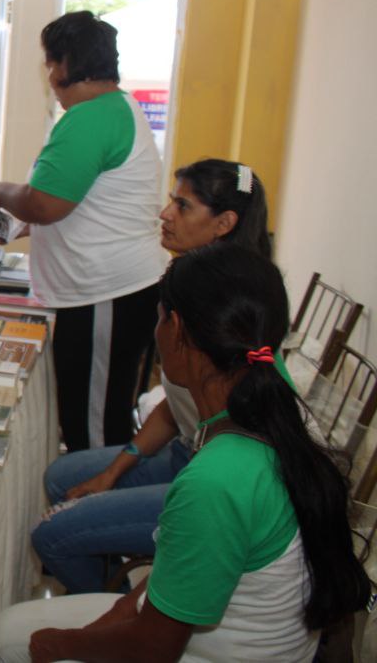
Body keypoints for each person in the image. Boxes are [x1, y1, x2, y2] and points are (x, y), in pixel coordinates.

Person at [0, 243, 371, 662]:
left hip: (218, 651)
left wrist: (59, 644)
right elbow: (181, 570)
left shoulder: (217, 478)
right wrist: (122, 609)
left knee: (8, 640)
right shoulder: (268, 413)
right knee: (20, 629)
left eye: (158, 318)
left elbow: (154, 647)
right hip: (254, 640)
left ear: (175, 329)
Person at [31, 159, 277, 593]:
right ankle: (109, 591)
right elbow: (174, 404)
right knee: (62, 476)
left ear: (224, 223)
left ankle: (110, 618)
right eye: (170, 202)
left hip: (212, 483)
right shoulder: (192, 283)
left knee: (54, 534)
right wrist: (116, 468)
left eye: (182, 206)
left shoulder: (225, 310)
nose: (165, 214)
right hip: (186, 455)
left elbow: (219, 465)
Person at [0, 11, 168, 451]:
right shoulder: (112, 109)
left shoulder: (90, 118)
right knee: (93, 408)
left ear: (62, 65)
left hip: (106, 291)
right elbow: (86, 205)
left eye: (50, 63)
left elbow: (47, 204)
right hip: (109, 288)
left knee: (95, 423)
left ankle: (90, 507)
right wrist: (14, 229)